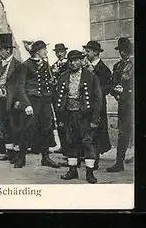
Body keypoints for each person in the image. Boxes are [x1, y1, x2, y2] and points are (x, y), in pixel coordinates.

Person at [55, 50, 102, 184]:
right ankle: (72, 170)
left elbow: (98, 99)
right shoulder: (63, 76)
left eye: (76, 60)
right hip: (69, 114)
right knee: (71, 143)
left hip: (85, 115)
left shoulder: (90, 76)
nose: (73, 63)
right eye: (71, 60)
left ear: (81, 61)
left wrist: (94, 119)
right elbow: (58, 97)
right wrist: (60, 118)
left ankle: (89, 172)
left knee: (88, 143)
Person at [14, 40, 60, 169]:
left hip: (45, 101)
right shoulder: (26, 65)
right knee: (27, 129)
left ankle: (45, 158)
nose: (46, 51)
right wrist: (26, 104)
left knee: (46, 128)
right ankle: (21, 158)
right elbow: (20, 87)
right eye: (44, 49)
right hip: (32, 101)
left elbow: (48, 82)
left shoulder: (45, 64)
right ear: (38, 51)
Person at [0, 33, 22, 163]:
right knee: (5, 126)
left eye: (1, 50)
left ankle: (18, 154)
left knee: (15, 126)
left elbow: (20, 85)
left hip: (13, 101)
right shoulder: (0, 65)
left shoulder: (17, 65)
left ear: (8, 50)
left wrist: (17, 99)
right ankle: (10, 153)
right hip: (1, 100)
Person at [83, 40, 112, 170]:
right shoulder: (84, 68)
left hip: (98, 106)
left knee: (97, 131)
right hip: (86, 105)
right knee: (87, 131)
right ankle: (87, 157)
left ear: (96, 52)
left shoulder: (103, 69)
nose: (86, 53)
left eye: (88, 51)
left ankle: (95, 160)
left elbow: (107, 88)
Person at [107, 37, 134, 173]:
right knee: (123, 133)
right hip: (124, 105)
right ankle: (119, 162)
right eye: (121, 50)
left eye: (125, 50)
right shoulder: (117, 66)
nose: (123, 53)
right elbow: (113, 84)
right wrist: (117, 94)